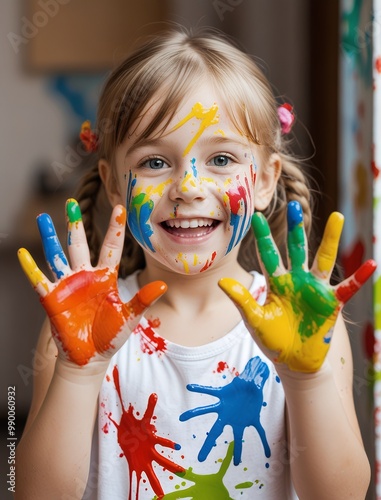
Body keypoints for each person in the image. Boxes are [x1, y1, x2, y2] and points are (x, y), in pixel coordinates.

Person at [15, 28, 376, 500]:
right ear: (114, 185)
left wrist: (306, 381)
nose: (187, 187)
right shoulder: (83, 330)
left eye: (221, 158)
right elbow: (34, 493)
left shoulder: (304, 329)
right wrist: (78, 373)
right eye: (154, 162)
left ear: (266, 180)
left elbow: (340, 495)